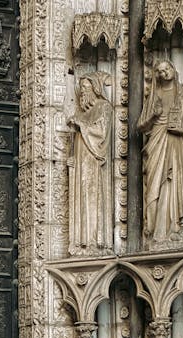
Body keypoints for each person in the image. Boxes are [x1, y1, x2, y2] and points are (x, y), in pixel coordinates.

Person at [138, 60, 183, 243]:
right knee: (155, 185)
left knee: (172, 182)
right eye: (160, 71)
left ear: (173, 69)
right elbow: (140, 126)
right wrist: (154, 115)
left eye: (167, 69)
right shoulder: (154, 96)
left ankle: (174, 227)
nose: (164, 73)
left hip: (176, 143)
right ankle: (155, 230)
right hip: (157, 140)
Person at [67, 71, 113, 255]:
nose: (83, 92)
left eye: (86, 88)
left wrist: (81, 125)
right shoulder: (82, 112)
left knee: (91, 197)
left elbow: (102, 134)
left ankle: (95, 242)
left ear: (96, 88)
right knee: (81, 197)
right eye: (81, 89)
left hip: (93, 163)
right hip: (80, 163)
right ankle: (80, 242)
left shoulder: (104, 107)